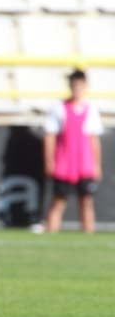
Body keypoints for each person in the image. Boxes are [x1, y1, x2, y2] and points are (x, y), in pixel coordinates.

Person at [43, 68, 103, 233]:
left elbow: (94, 139)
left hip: (83, 163)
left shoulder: (90, 109)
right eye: (74, 85)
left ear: (85, 87)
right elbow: (50, 137)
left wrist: (96, 164)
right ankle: (51, 233)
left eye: (80, 86)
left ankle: (88, 234)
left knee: (86, 201)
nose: (77, 89)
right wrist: (50, 161)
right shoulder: (59, 108)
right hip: (64, 162)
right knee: (59, 200)